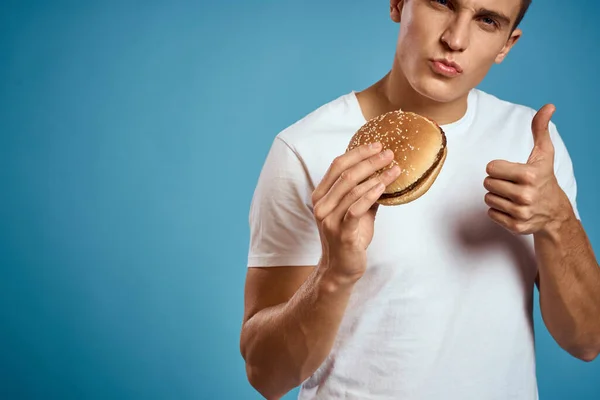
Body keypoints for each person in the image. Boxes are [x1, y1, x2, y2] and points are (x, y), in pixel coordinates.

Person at [240, 0, 600, 399]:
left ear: (506, 45)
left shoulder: (530, 145)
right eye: (443, 3)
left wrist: (557, 221)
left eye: (486, 20)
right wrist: (335, 272)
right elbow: (266, 376)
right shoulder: (306, 149)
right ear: (398, 4)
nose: (455, 39)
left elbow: (587, 341)